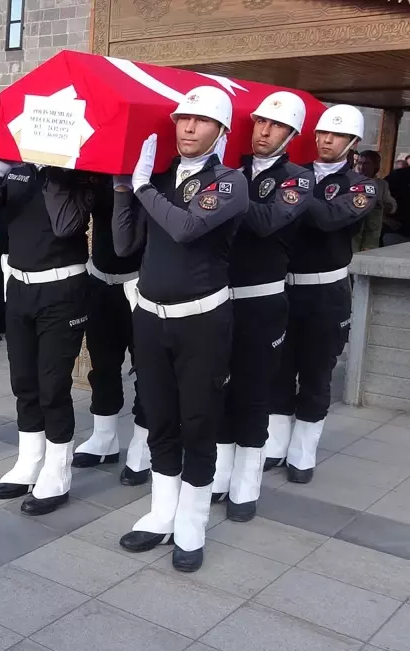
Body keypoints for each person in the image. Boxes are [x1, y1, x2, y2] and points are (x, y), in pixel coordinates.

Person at [112, 86, 247, 572]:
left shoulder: (230, 182)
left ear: (221, 131)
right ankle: (160, 511)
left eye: (200, 121)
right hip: (150, 316)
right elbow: (125, 244)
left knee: (198, 421)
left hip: (202, 322)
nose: (187, 128)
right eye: (181, 120)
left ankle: (191, 520)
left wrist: (145, 188)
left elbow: (188, 228)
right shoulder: (160, 178)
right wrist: (123, 186)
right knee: (159, 418)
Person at [0, 133, 92, 517]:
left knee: (53, 383)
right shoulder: (16, 173)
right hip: (20, 286)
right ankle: (30, 460)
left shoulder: (78, 174)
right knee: (24, 380)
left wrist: (57, 170)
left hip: (62, 288)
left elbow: (69, 224)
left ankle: (57, 470)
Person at [213, 92, 313, 523]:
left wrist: (226, 192)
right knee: (218, 388)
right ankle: (218, 474)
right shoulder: (231, 170)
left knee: (254, 392)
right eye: (259, 124)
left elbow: (267, 222)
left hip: (262, 300)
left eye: (274, 126)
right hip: (219, 298)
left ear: (291, 134)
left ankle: (246, 484)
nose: (263, 132)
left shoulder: (297, 179)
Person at [265, 105, 378, 483]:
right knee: (279, 369)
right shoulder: (294, 174)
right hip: (284, 288)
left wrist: (292, 193)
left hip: (325, 293)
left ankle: (302, 451)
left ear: (352, 143)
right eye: (321, 133)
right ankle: (276, 445)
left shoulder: (361, 186)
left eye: (336, 135)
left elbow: (331, 219)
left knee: (316, 372)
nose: (326, 140)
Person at [69, 170, 146, 477]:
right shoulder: (100, 176)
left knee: (147, 369)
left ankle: (144, 443)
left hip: (141, 283)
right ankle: (104, 437)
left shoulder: (153, 174)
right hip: (102, 280)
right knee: (102, 365)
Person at [353, 150, 396, 253]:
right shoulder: (349, 180)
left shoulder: (381, 184)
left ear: (376, 166)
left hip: (371, 232)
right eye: (359, 163)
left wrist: (379, 206)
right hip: (352, 231)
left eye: (366, 164)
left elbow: (392, 206)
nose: (362, 167)